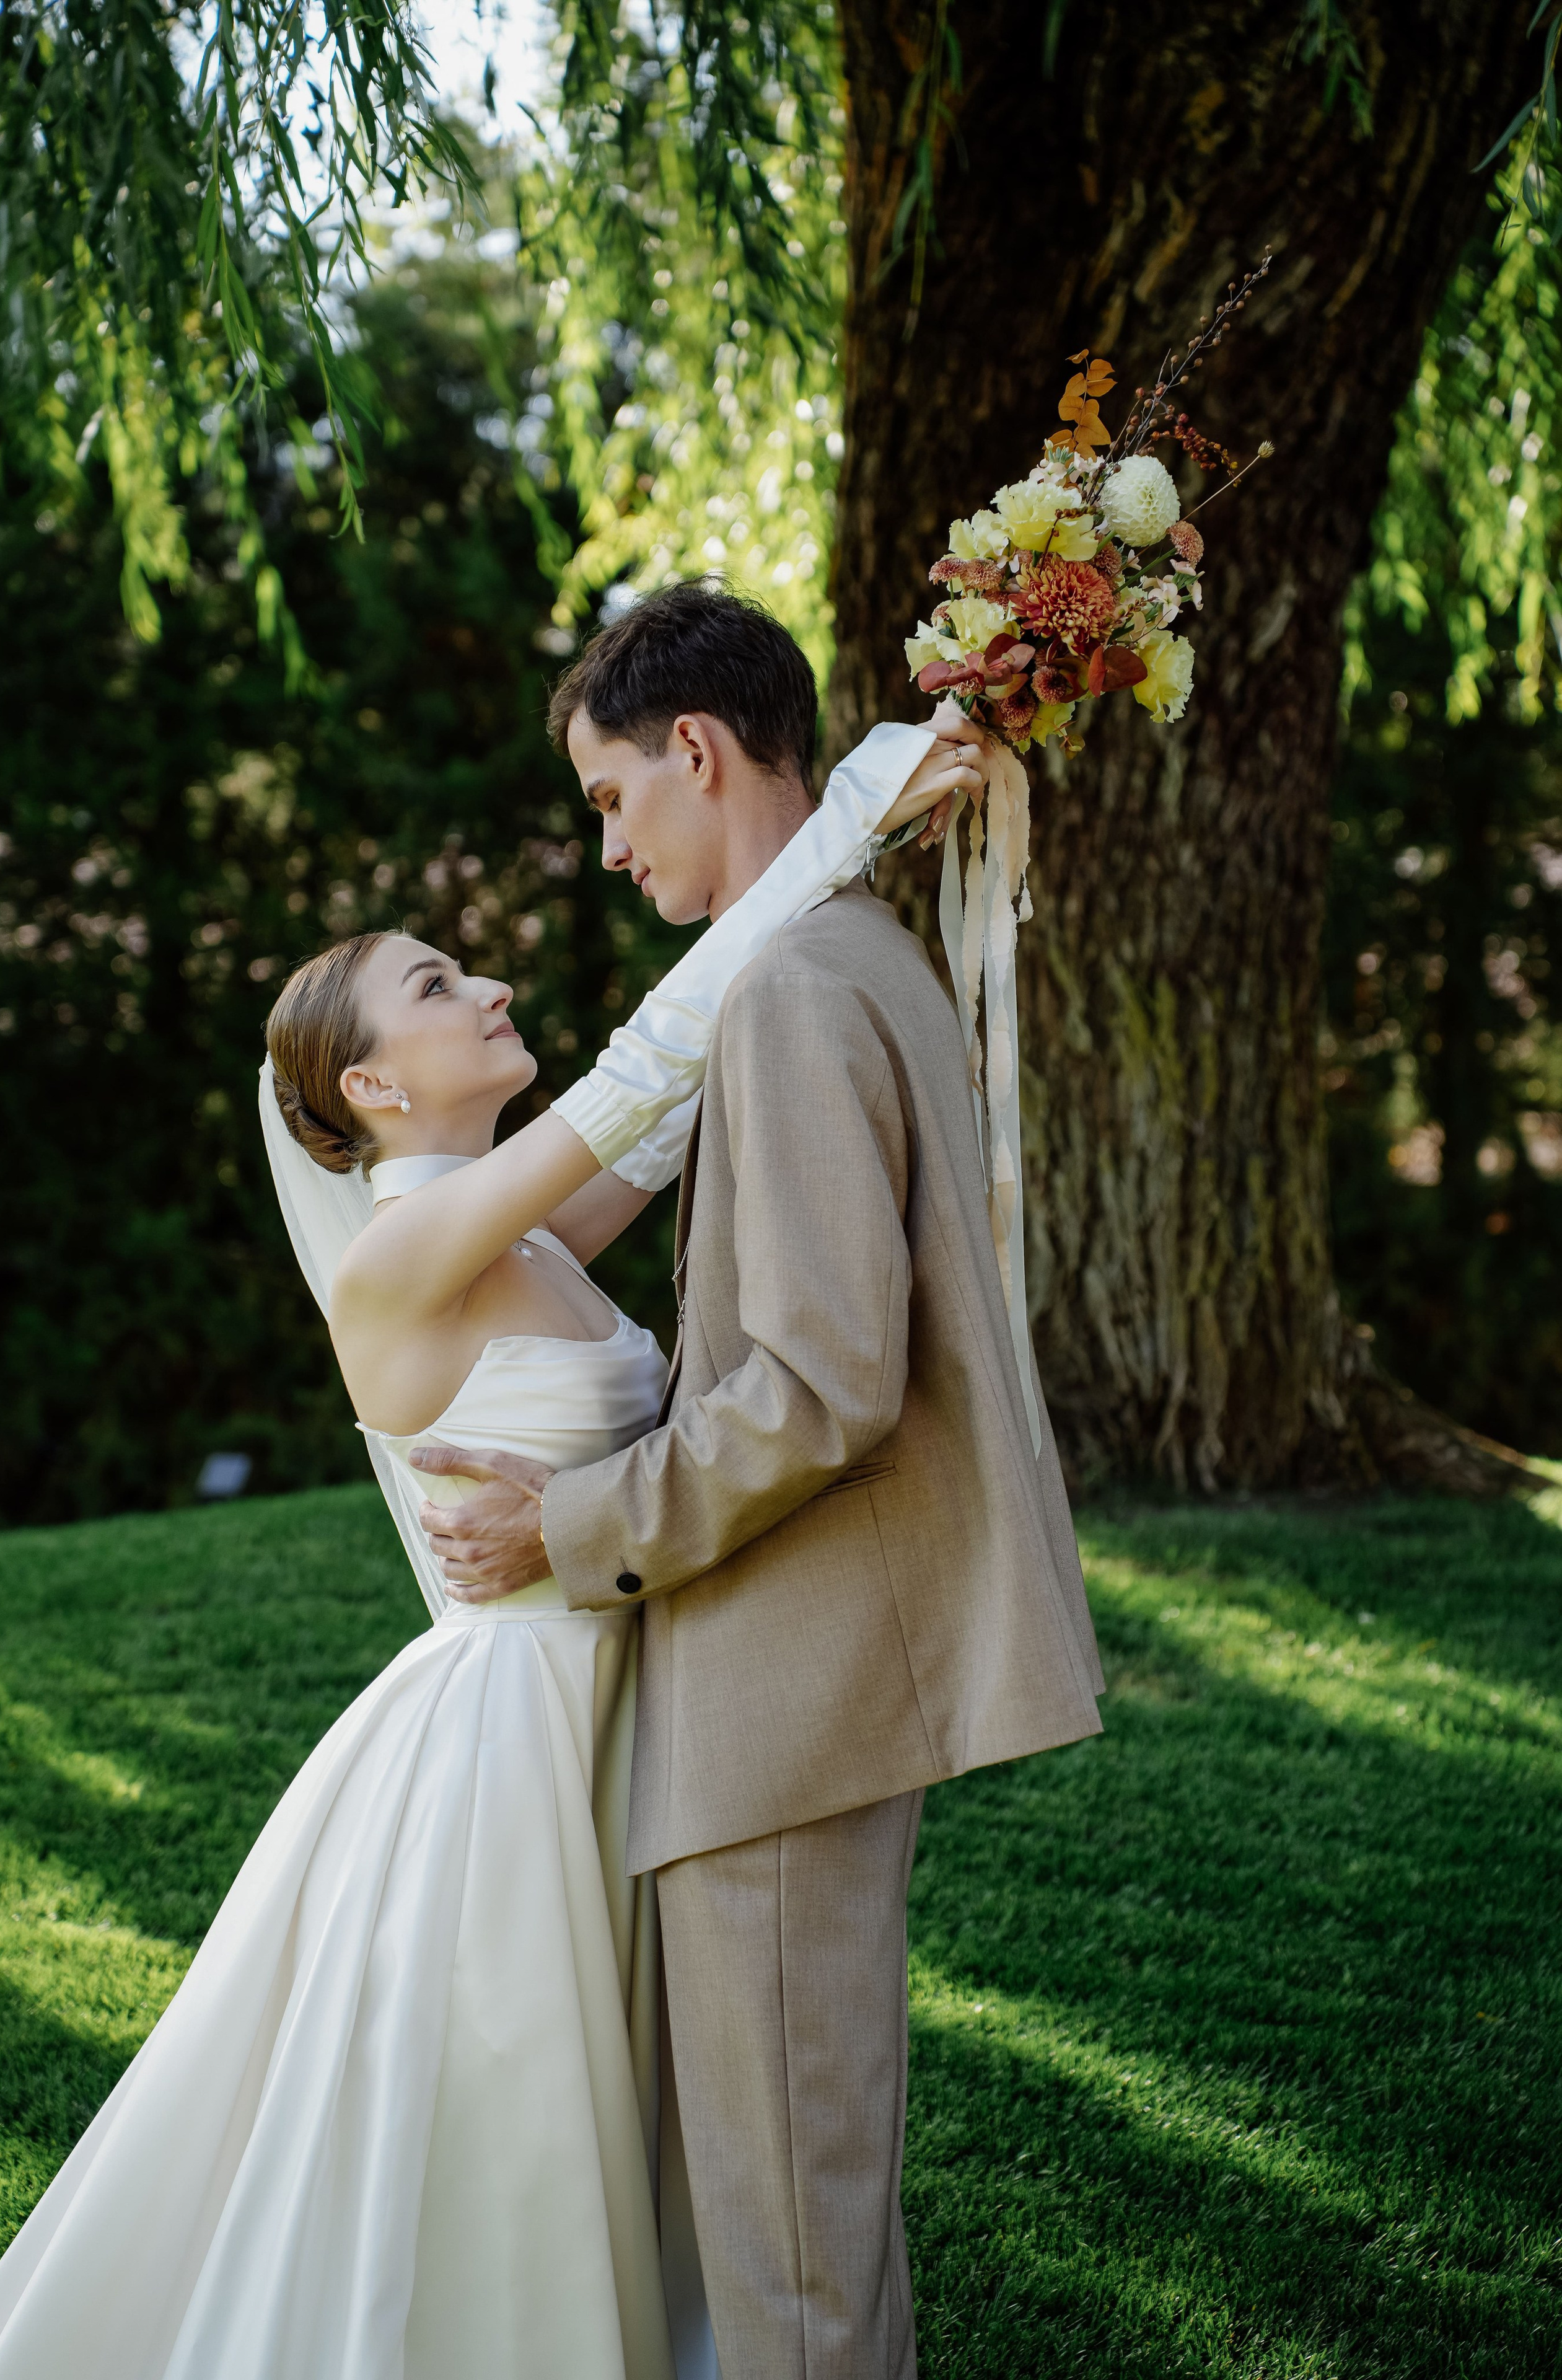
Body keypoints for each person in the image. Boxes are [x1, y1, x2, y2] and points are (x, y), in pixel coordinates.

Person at [0, 593, 973, 2380]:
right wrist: (855, 806)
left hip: (625, 1704)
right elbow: (647, 1069)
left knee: (650, 2122)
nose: (493, 980)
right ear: (367, 1086)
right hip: (513, 1745)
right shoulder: (400, 1255)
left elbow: (661, 1112)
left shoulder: (520, 1233)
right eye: (441, 987)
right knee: (511, 2132)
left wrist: (850, 847)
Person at [418, 581, 1107, 2380]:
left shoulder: (797, 988)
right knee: (792, 2223)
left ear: (699, 751)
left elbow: (813, 1386)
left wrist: (567, 1526)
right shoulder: (850, 952)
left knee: (791, 2264)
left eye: (610, 799)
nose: (607, 849)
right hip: (792, 1691)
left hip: (783, 1706)